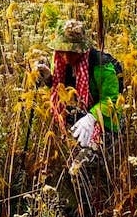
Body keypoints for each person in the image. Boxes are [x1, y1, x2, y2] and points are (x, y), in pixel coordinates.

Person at [48, 18, 122, 149]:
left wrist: (92, 117)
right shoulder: (60, 62)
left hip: (104, 122)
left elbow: (111, 99)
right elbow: (61, 88)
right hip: (78, 117)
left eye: (71, 52)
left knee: (82, 164)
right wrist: (48, 79)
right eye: (63, 51)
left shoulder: (102, 66)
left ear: (82, 50)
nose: (66, 57)